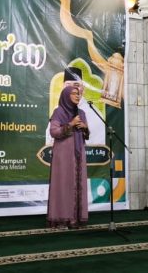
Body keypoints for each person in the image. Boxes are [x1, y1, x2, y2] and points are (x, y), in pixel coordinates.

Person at [47, 85, 89, 228]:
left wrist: (85, 128)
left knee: (78, 183)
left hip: (78, 153)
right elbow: (54, 132)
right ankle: (63, 218)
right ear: (66, 96)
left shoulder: (81, 113)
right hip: (63, 155)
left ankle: (76, 218)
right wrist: (71, 124)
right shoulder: (59, 112)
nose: (78, 96)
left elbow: (85, 134)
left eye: (78, 93)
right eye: (74, 93)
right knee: (64, 184)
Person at [46, 67, 105, 146]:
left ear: (83, 89)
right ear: (63, 89)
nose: (72, 89)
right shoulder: (58, 110)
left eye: (76, 85)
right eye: (68, 85)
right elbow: (50, 138)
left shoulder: (93, 113)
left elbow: (98, 143)